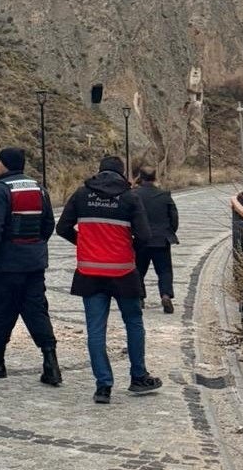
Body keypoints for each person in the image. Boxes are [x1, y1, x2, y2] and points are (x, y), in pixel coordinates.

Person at [57, 155, 164, 404]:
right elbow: (145, 236)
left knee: (96, 329)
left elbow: (61, 228)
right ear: (122, 173)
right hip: (123, 271)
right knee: (134, 322)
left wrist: (83, 243)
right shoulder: (130, 197)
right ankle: (138, 376)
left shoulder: (82, 194)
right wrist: (128, 247)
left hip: (89, 273)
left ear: (99, 172)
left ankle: (103, 386)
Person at [0, 147, 62, 386]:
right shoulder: (38, 188)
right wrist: (35, 246)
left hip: (7, 264)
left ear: (7, 164)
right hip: (34, 263)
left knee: (1, 311)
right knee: (37, 311)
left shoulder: (0, 190)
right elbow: (48, 223)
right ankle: (51, 363)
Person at [132, 164, 180, 313]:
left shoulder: (133, 195)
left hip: (140, 240)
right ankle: (165, 295)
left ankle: (140, 298)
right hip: (161, 239)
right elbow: (174, 218)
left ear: (140, 177)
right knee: (164, 270)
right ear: (155, 178)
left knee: (138, 270)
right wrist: (169, 232)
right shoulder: (165, 195)